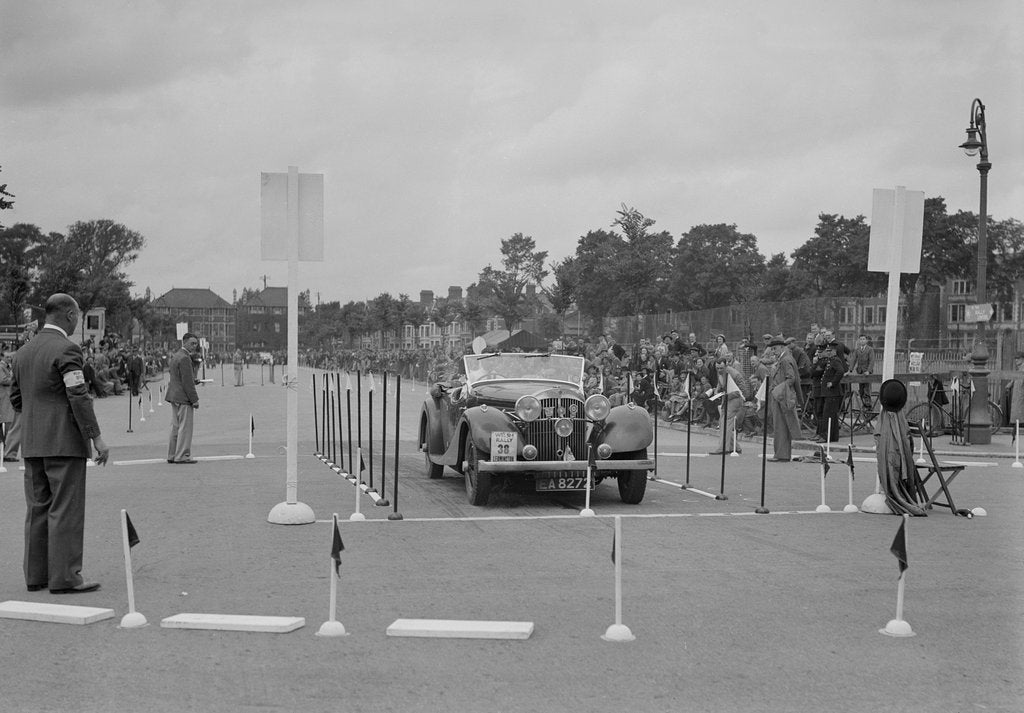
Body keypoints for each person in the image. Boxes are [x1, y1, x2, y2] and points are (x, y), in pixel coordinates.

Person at [10, 293, 109, 594]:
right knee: (65, 508)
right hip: (64, 443)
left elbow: (17, 399)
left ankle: (36, 575)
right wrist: (96, 437)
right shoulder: (67, 349)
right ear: (69, 315)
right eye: (77, 316)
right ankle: (65, 577)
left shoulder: (22, 353)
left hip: (33, 443)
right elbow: (78, 394)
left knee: (37, 508)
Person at [766, 335, 803, 462]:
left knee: (781, 426)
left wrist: (777, 390)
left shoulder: (785, 360)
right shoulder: (784, 358)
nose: (773, 351)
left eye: (775, 348)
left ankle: (781, 454)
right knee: (781, 425)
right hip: (781, 396)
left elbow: (791, 378)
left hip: (781, 396)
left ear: (782, 347)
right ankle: (781, 453)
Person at [167, 332, 201, 464]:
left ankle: (172, 454)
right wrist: (195, 399)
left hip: (174, 395)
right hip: (183, 397)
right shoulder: (185, 358)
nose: (194, 346)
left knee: (175, 427)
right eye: (192, 343)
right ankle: (182, 455)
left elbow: (179, 377)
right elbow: (187, 382)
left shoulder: (176, 355)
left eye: (196, 344)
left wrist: (193, 381)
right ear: (185, 342)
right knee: (185, 428)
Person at [709, 357, 750, 454]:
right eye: (717, 368)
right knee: (723, 422)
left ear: (726, 365)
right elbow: (720, 383)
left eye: (721, 368)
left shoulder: (735, 374)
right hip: (726, 399)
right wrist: (717, 390)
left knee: (726, 423)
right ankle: (735, 447)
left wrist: (729, 395)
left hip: (735, 400)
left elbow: (743, 391)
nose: (719, 370)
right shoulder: (720, 372)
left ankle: (723, 448)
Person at [1, 350, 22, 461]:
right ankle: (9, 453)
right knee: (14, 427)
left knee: (13, 426)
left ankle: (9, 452)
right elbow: (4, 380)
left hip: (14, 400)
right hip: (13, 401)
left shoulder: (11, 367)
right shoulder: (2, 367)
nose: (9, 359)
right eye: (8, 356)